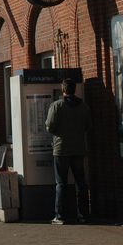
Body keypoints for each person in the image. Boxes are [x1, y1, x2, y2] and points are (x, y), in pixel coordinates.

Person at [45, 77, 91, 225]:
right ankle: (83, 214)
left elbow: (50, 127)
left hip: (61, 149)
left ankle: (60, 215)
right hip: (78, 149)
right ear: (74, 89)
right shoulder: (83, 106)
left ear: (63, 89)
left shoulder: (57, 106)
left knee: (61, 183)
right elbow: (88, 126)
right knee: (80, 182)